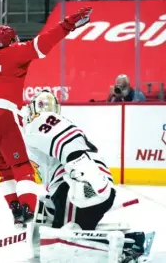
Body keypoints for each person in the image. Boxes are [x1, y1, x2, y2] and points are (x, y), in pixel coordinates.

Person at [0, 7, 93, 225]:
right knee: (21, 165)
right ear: (12, 39)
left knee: (3, 169)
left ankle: (16, 211)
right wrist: (68, 24)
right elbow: (44, 42)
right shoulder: (16, 52)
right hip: (3, 115)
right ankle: (30, 211)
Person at [22, 90, 151, 262]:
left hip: (76, 190)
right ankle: (131, 240)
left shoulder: (39, 124)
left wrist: (83, 172)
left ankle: (127, 245)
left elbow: (67, 142)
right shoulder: (44, 131)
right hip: (87, 187)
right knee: (66, 235)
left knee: (61, 245)